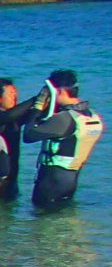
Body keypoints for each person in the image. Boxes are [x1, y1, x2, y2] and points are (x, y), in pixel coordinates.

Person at [26, 69, 102, 209]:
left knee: (42, 219)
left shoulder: (64, 119)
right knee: (62, 219)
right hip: (70, 181)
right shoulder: (92, 117)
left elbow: (29, 135)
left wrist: (37, 107)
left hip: (50, 183)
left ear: (59, 92)